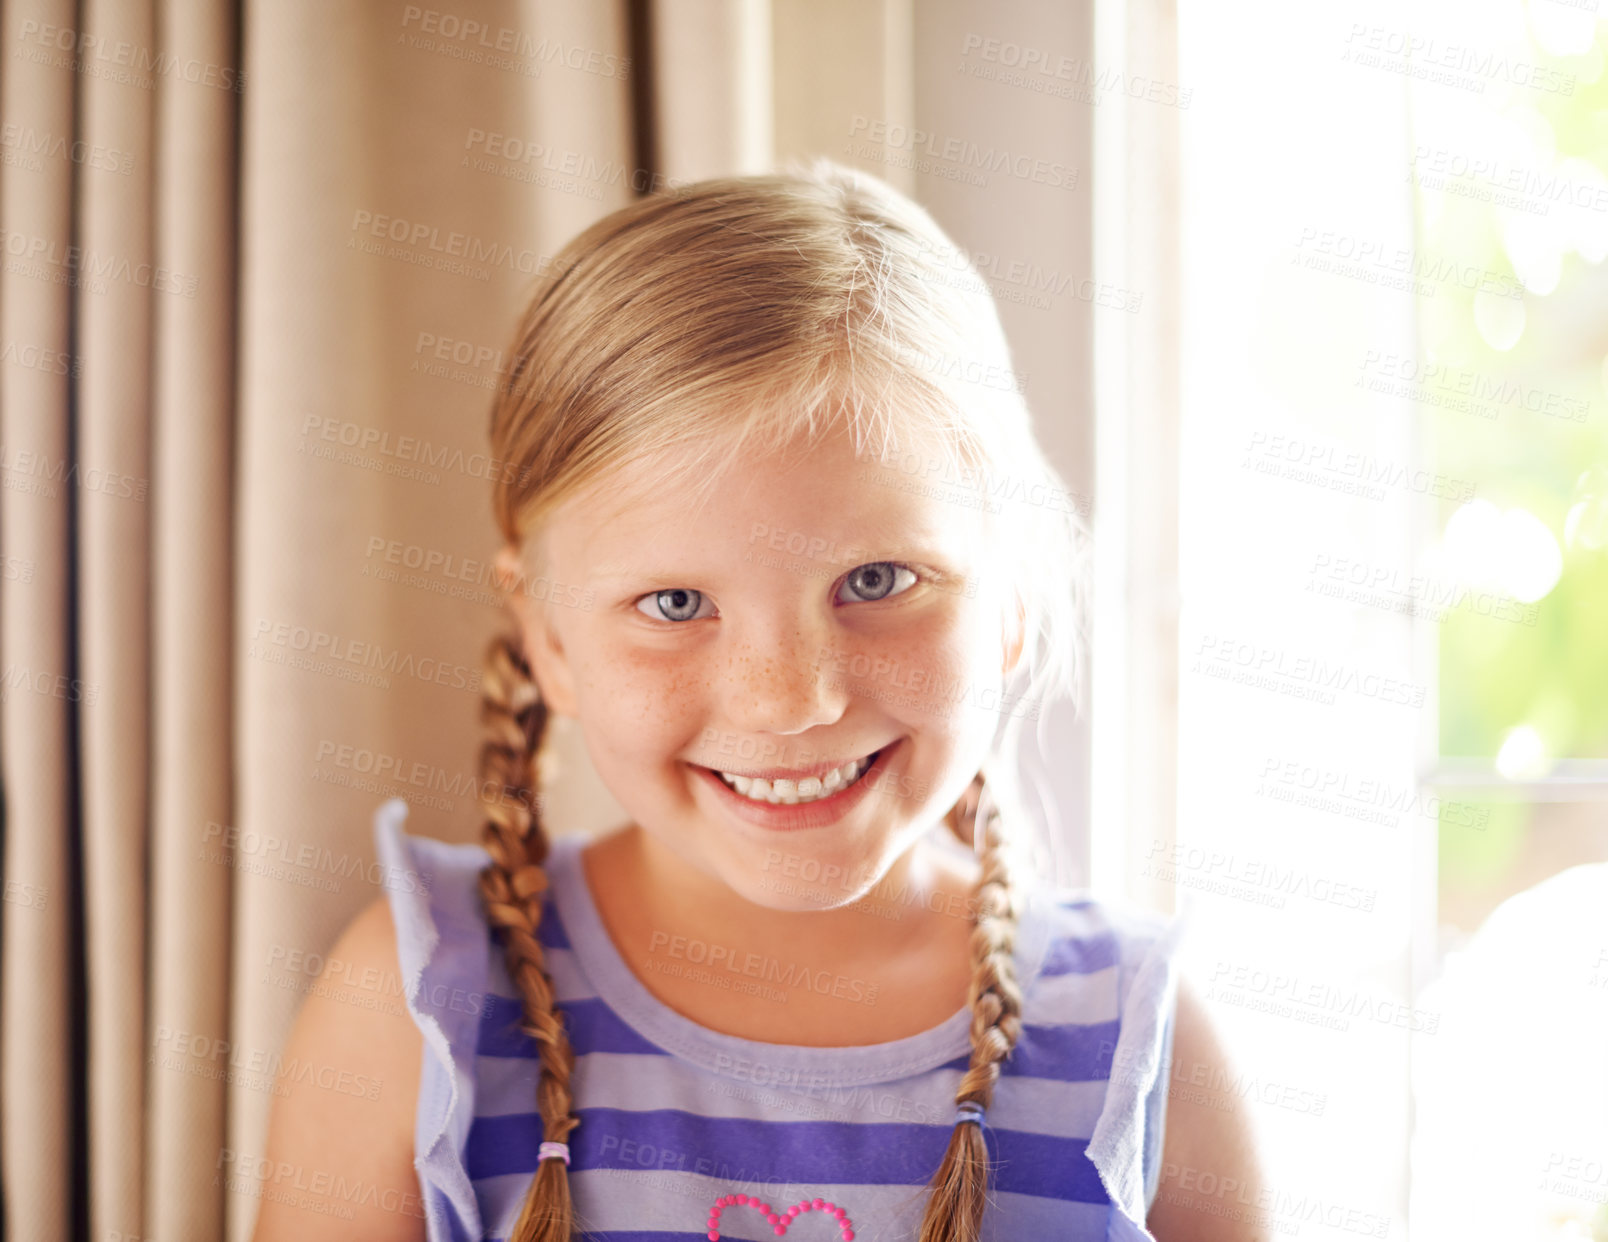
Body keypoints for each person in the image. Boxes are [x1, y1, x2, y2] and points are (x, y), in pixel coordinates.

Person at [252, 160, 1266, 1242]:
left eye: (877, 580)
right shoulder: (418, 1011)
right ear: (547, 636)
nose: (790, 701)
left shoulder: (1141, 1046)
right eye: (675, 602)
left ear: (1012, 603)